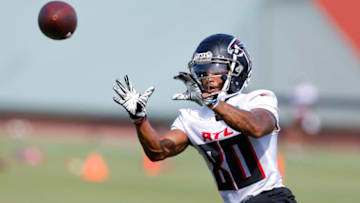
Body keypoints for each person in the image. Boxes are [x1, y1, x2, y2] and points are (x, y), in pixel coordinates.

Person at [113, 33, 297, 203]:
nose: (207, 78)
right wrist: (139, 119)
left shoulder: (257, 99)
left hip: (271, 198)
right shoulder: (191, 118)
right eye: (203, 71)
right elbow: (158, 151)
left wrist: (213, 103)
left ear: (236, 70)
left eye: (215, 70)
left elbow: (257, 127)